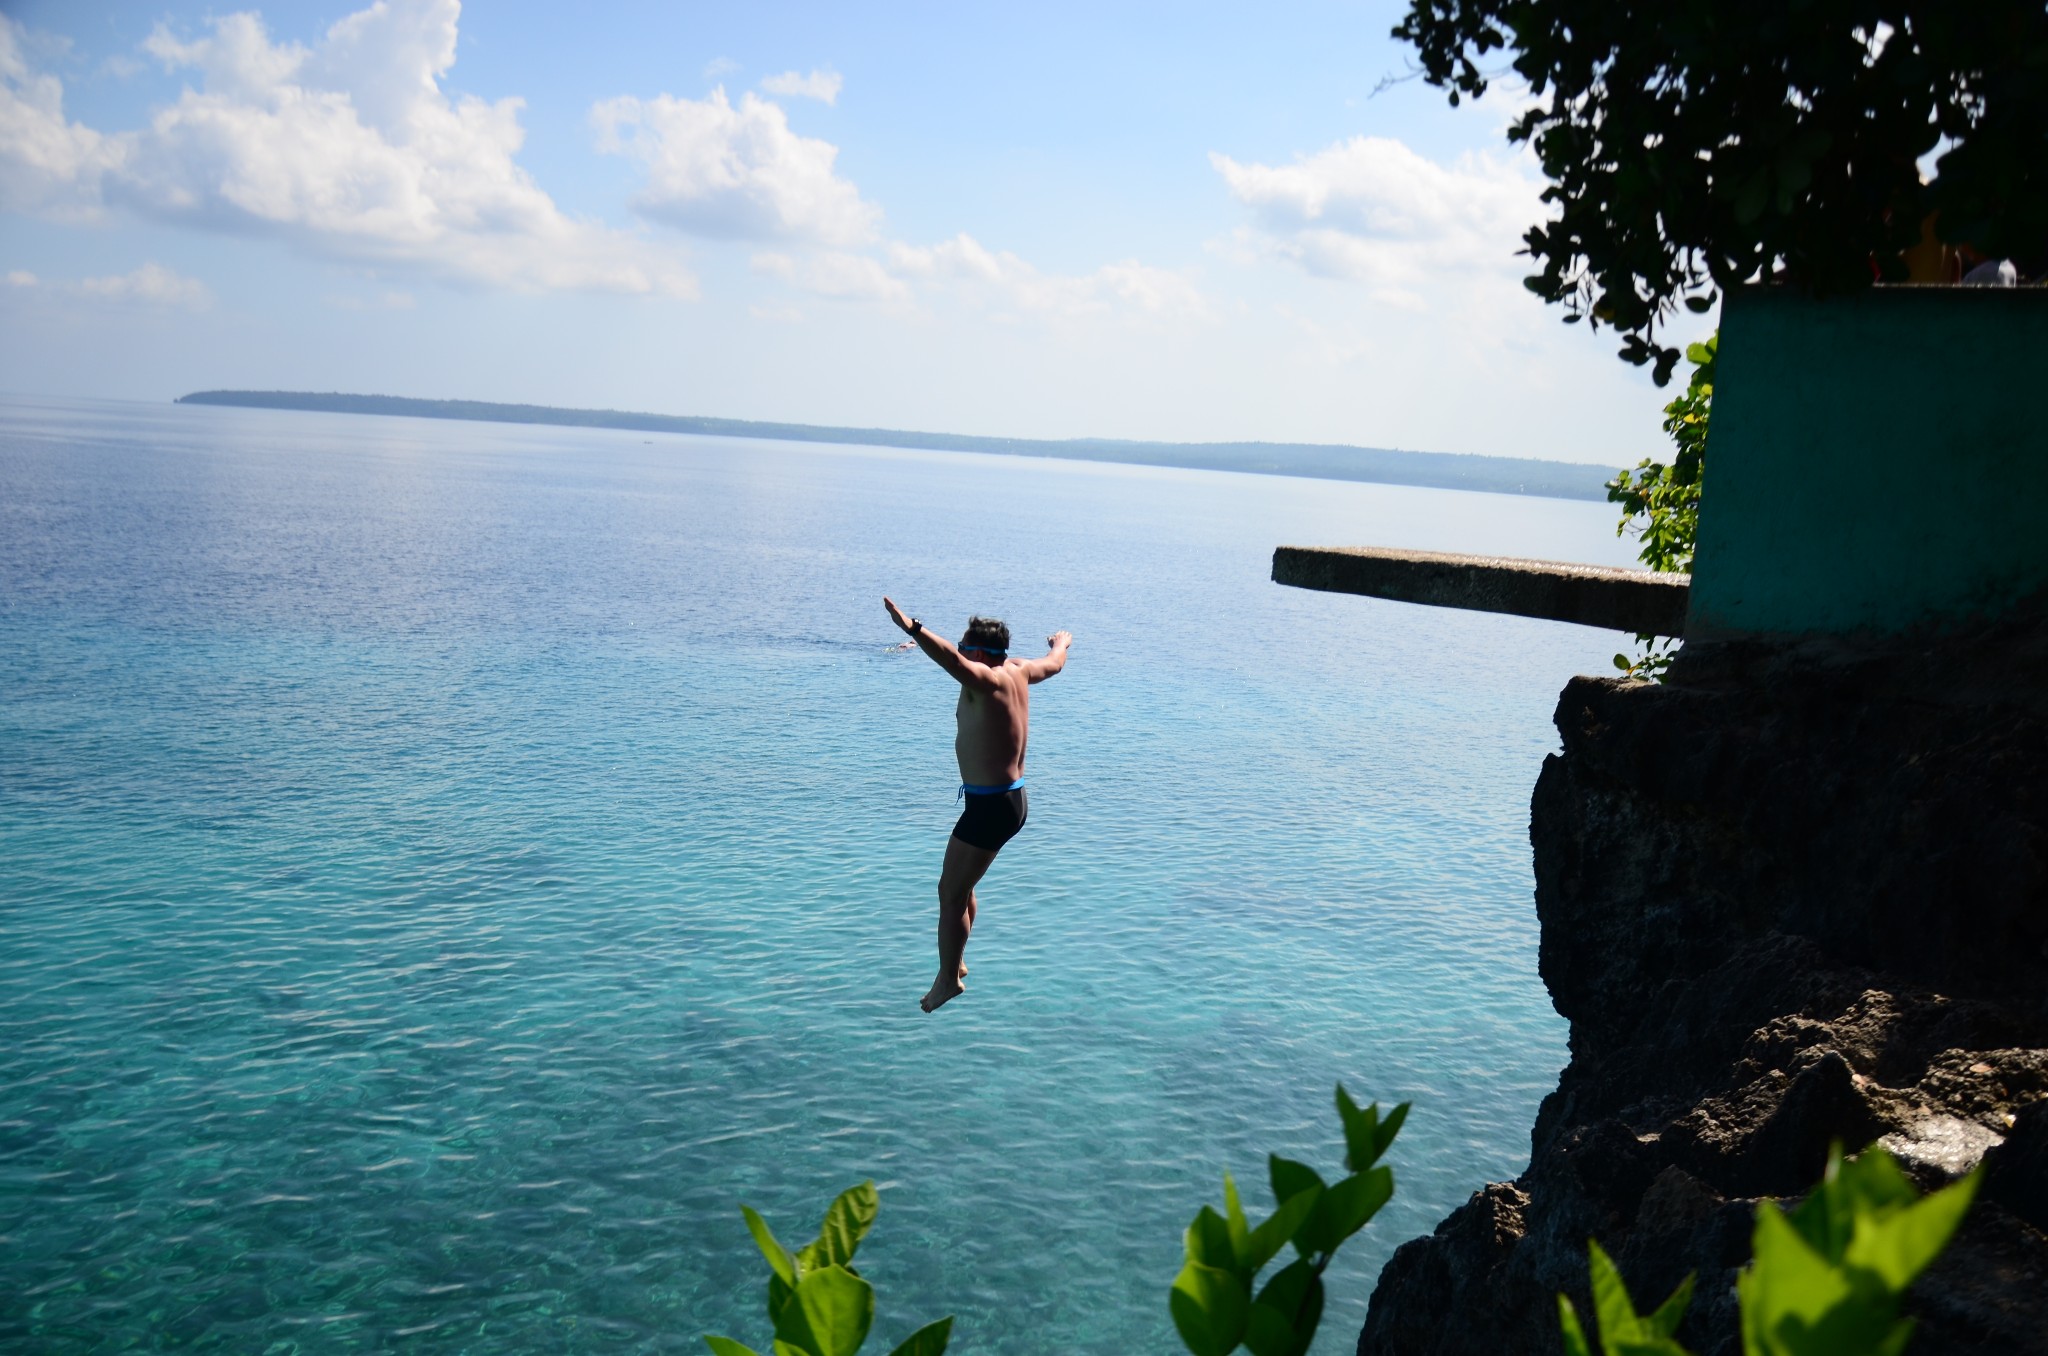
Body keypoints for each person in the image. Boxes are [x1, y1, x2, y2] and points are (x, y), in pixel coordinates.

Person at [882, 596, 1071, 1012]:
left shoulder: (987, 679)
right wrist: (1062, 643)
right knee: (961, 889)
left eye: (968, 648)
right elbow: (1053, 664)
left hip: (990, 809)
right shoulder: (1019, 670)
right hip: (1007, 801)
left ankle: (947, 979)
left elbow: (950, 658)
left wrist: (911, 628)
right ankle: (958, 960)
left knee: (949, 894)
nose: (963, 652)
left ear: (981, 655)